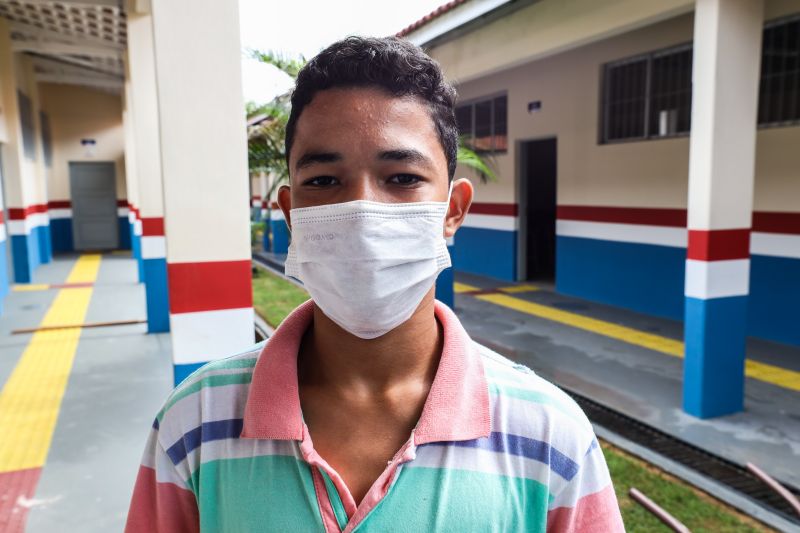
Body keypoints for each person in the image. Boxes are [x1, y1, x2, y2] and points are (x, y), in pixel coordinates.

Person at [125, 36, 625, 532]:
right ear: (290, 212)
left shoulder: (551, 436)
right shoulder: (194, 420)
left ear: (453, 210)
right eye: (323, 181)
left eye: (402, 178)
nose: (363, 212)